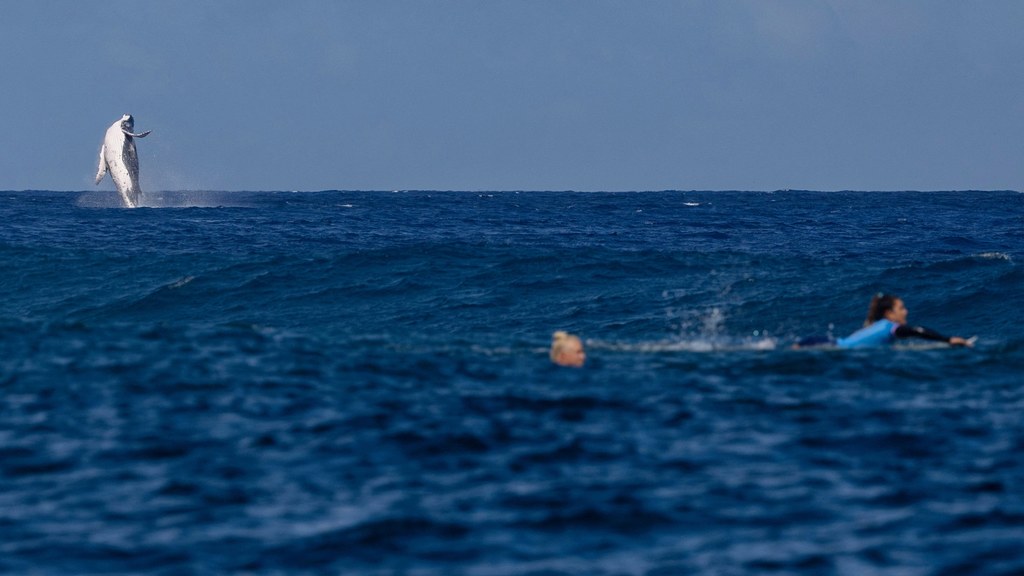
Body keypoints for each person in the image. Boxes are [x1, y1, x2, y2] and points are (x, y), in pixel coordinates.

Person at [835, 293, 974, 348]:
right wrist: (948, 340)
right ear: (889, 313)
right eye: (901, 308)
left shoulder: (878, 325)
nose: (906, 311)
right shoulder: (890, 327)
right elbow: (916, 331)